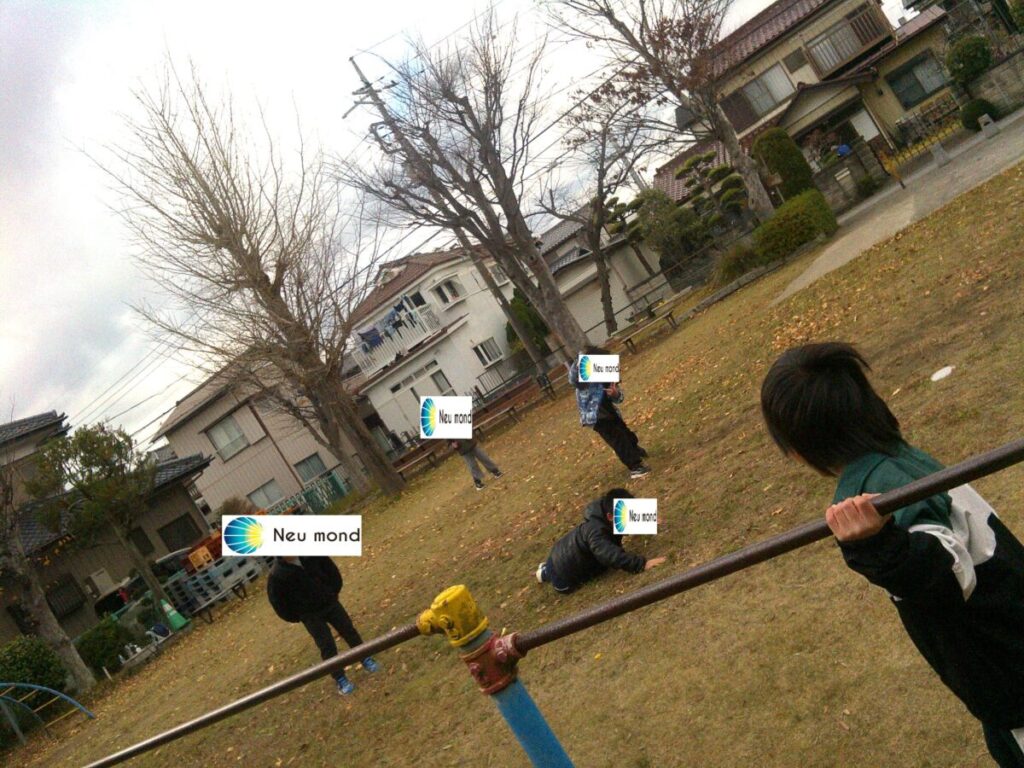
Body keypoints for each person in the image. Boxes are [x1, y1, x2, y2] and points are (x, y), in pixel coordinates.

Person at [761, 342, 1024, 767]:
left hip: (1009, 673)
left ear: (795, 449)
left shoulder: (876, 491)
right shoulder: (895, 456)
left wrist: (877, 547)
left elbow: (947, 573)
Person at [266, 556, 380, 696]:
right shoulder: (277, 575)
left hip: (329, 602)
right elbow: (278, 603)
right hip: (310, 616)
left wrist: (332, 592)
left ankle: (365, 658)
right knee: (327, 645)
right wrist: (300, 616)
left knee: (349, 631)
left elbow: (331, 570)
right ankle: (340, 678)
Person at [535, 488, 665, 593]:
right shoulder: (596, 534)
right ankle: (545, 573)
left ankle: (547, 567)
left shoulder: (604, 510)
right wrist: (641, 565)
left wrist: (648, 518)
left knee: (560, 563)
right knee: (557, 573)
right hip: (562, 577)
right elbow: (610, 555)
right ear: (610, 517)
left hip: (560, 551)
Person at [569, 345, 651, 479]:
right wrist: (580, 360)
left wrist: (615, 393)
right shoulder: (582, 377)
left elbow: (619, 397)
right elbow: (572, 379)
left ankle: (634, 449)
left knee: (626, 434)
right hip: (596, 417)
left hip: (610, 412)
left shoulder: (606, 374)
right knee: (619, 440)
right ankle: (635, 467)